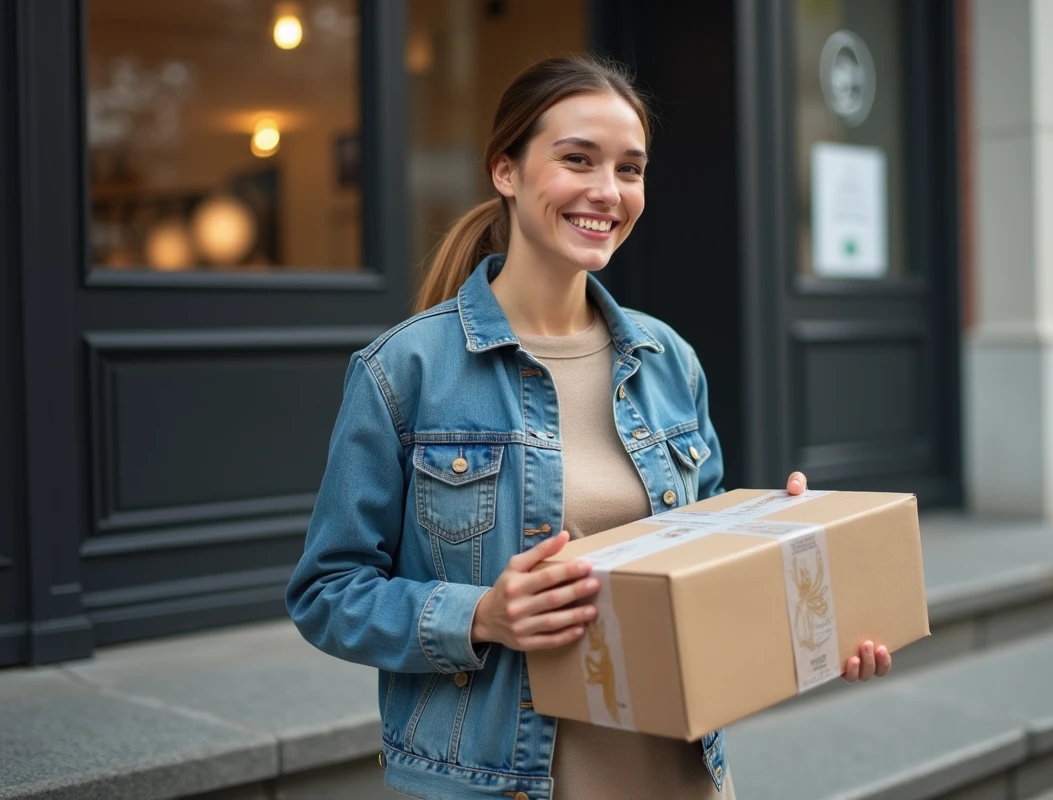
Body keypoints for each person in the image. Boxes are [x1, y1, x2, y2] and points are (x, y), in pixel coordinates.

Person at [286, 54, 892, 800]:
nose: (608, 192)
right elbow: (327, 592)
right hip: (501, 784)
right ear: (505, 170)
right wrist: (479, 615)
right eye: (578, 160)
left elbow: (699, 566)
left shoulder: (668, 358)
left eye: (630, 169)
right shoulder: (404, 370)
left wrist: (792, 555)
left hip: (684, 780)